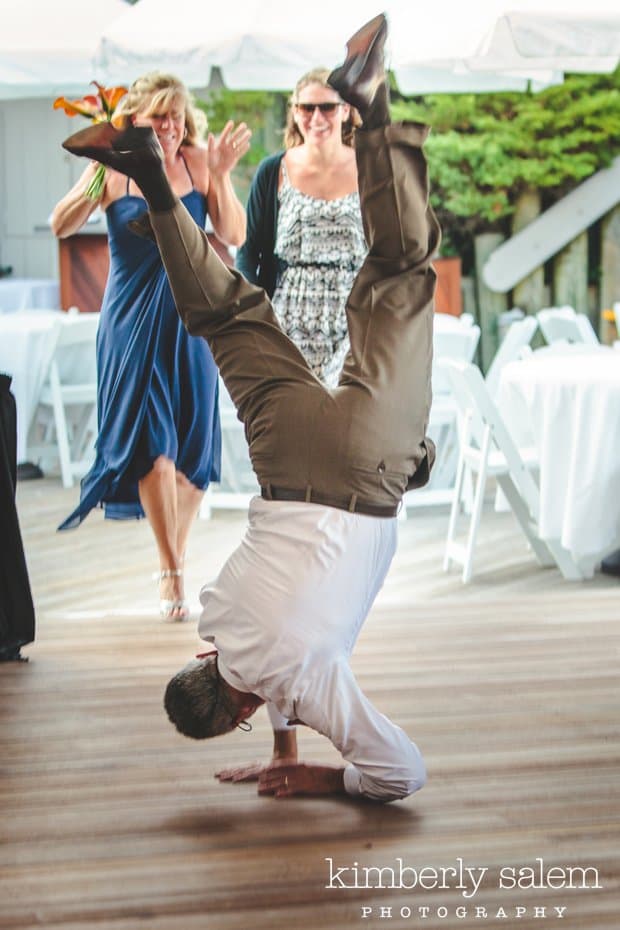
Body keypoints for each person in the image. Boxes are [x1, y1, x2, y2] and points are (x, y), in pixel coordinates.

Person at [61, 11, 439, 801]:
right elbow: (253, 658)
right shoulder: (216, 617)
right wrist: (276, 732)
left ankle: (371, 104)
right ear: (200, 660)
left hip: (369, 472)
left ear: (240, 715)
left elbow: (401, 774)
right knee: (227, 313)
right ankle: (155, 177)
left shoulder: (305, 684)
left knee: (400, 274)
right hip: (289, 456)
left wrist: (321, 774)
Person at [51, 72, 251, 620]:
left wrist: (224, 175)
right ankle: (172, 571)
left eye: (176, 115)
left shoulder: (197, 163)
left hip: (191, 320)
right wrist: (96, 173)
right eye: (158, 116)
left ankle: (175, 557)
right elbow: (60, 225)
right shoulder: (115, 170)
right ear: (134, 120)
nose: (168, 125)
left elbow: (232, 234)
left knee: (190, 455)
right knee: (153, 446)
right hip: (131, 320)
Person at [236, 68, 365, 386]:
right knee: (296, 424)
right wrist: (255, 316)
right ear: (295, 112)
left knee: (350, 423)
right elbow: (250, 251)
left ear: (345, 111)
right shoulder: (273, 171)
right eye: (307, 108)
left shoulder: (371, 168)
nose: (317, 117)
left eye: (328, 107)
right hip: (287, 324)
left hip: (357, 323)